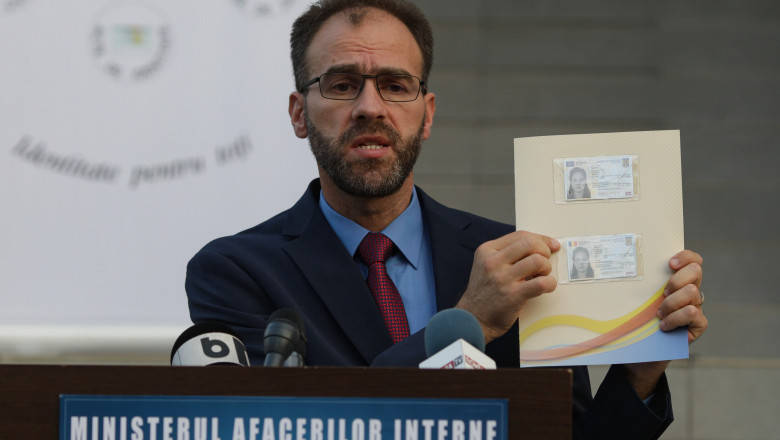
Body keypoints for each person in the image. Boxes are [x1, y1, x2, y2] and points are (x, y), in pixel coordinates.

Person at [185, 1, 708, 438]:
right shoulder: (236, 270)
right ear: (299, 113)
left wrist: (640, 372)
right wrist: (471, 322)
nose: (370, 107)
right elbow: (294, 427)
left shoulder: (517, 260)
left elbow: (565, 433)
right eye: (342, 85)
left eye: (395, 85)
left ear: (427, 113)